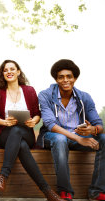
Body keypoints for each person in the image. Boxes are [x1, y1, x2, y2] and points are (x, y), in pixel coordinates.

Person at [0, 60, 64, 201]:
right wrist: (4, 121)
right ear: (2, 74)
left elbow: (37, 112)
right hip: (5, 133)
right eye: (6, 70)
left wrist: (34, 120)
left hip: (26, 133)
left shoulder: (29, 91)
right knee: (20, 142)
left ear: (18, 72)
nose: (9, 72)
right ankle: (47, 191)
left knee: (19, 132)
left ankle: (3, 177)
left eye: (12, 69)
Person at [37, 59, 105, 201]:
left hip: (77, 136)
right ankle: (65, 190)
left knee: (104, 139)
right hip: (53, 136)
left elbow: (99, 125)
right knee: (61, 139)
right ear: (56, 79)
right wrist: (78, 138)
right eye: (61, 77)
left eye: (69, 76)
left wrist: (93, 130)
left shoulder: (84, 97)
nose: (65, 80)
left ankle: (97, 191)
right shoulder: (45, 95)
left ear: (75, 78)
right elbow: (50, 124)